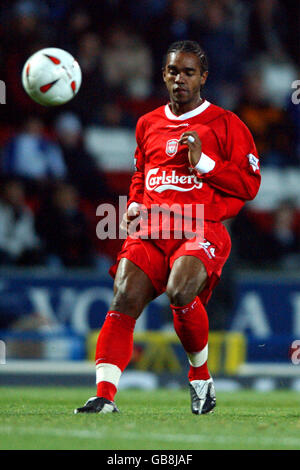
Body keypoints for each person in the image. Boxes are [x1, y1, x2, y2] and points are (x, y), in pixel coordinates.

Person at [75, 40, 261, 415]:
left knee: (180, 290)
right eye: (173, 71)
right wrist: (136, 205)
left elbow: (250, 184)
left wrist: (204, 163)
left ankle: (200, 377)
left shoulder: (227, 124)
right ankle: (104, 396)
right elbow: (142, 174)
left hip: (201, 227)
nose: (180, 79)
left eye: (188, 72)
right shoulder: (147, 123)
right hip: (152, 228)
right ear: (163, 75)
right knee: (124, 295)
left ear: (203, 77)